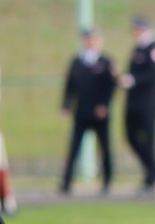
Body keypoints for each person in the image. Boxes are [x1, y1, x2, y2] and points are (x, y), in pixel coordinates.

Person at [59, 28, 117, 195]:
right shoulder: (77, 62)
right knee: (74, 147)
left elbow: (110, 87)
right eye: (87, 39)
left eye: (93, 39)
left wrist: (104, 105)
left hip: (99, 114)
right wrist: (66, 106)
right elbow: (70, 86)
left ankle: (107, 180)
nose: (90, 42)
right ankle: (67, 181)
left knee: (105, 147)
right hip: (82, 112)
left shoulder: (105, 62)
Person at [119, 16, 155, 194]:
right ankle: (154, 168)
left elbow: (153, 75)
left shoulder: (154, 49)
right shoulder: (137, 48)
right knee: (131, 137)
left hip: (148, 104)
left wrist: (133, 80)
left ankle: (151, 177)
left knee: (148, 139)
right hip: (133, 103)